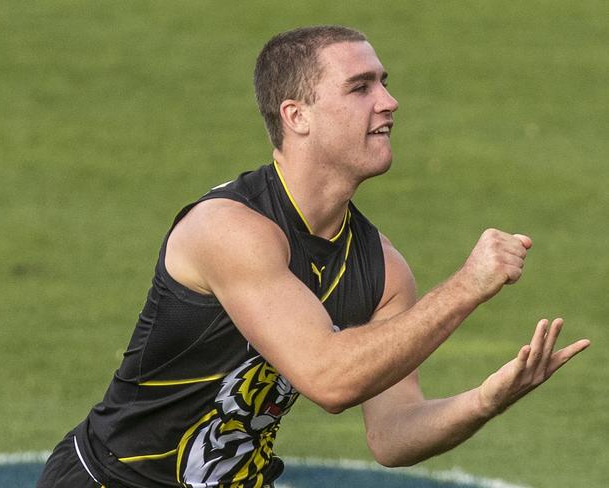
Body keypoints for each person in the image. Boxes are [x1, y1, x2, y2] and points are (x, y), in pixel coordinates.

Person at [37, 25, 590, 488]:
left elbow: (392, 434)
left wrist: (484, 401)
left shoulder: (381, 270)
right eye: (360, 87)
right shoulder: (230, 229)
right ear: (297, 115)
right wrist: (467, 287)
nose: (389, 101)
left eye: (384, 83)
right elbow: (328, 378)